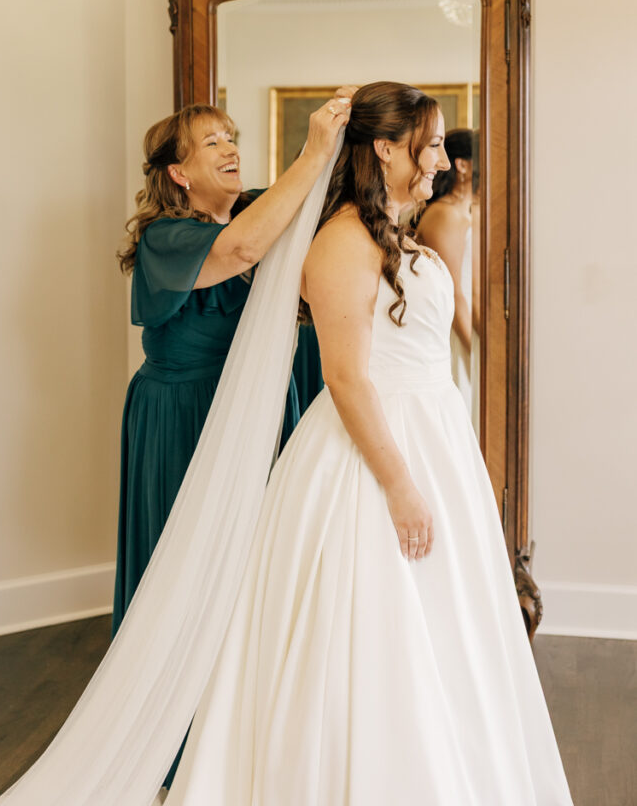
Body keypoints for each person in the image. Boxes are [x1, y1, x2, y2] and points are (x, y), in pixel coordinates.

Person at [165, 83, 574, 805]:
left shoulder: (400, 235)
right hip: (369, 461)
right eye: (432, 143)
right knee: (370, 636)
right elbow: (347, 379)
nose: (443, 160)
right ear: (384, 147)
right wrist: (399, 484)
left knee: (448, 631)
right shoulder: (341, 241)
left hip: (433, 439)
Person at [112, 95, 350, 785]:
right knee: (183, 563)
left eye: (230, 136)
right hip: (182, 414)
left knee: (255, 566)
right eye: (209, 142)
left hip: (251, 415)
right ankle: (176, 739)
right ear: (179, 173)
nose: (227, 148)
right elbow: (241, 251)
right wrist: (309, 152)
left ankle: (240, 726)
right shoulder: (167, 237)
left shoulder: (255, 208)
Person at [416, 127, 475, 409]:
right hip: (459, 327)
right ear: (463, 165)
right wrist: (478, 354)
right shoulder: (445, 214)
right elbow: (454, 291)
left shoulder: (470, 212)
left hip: (475, 320)